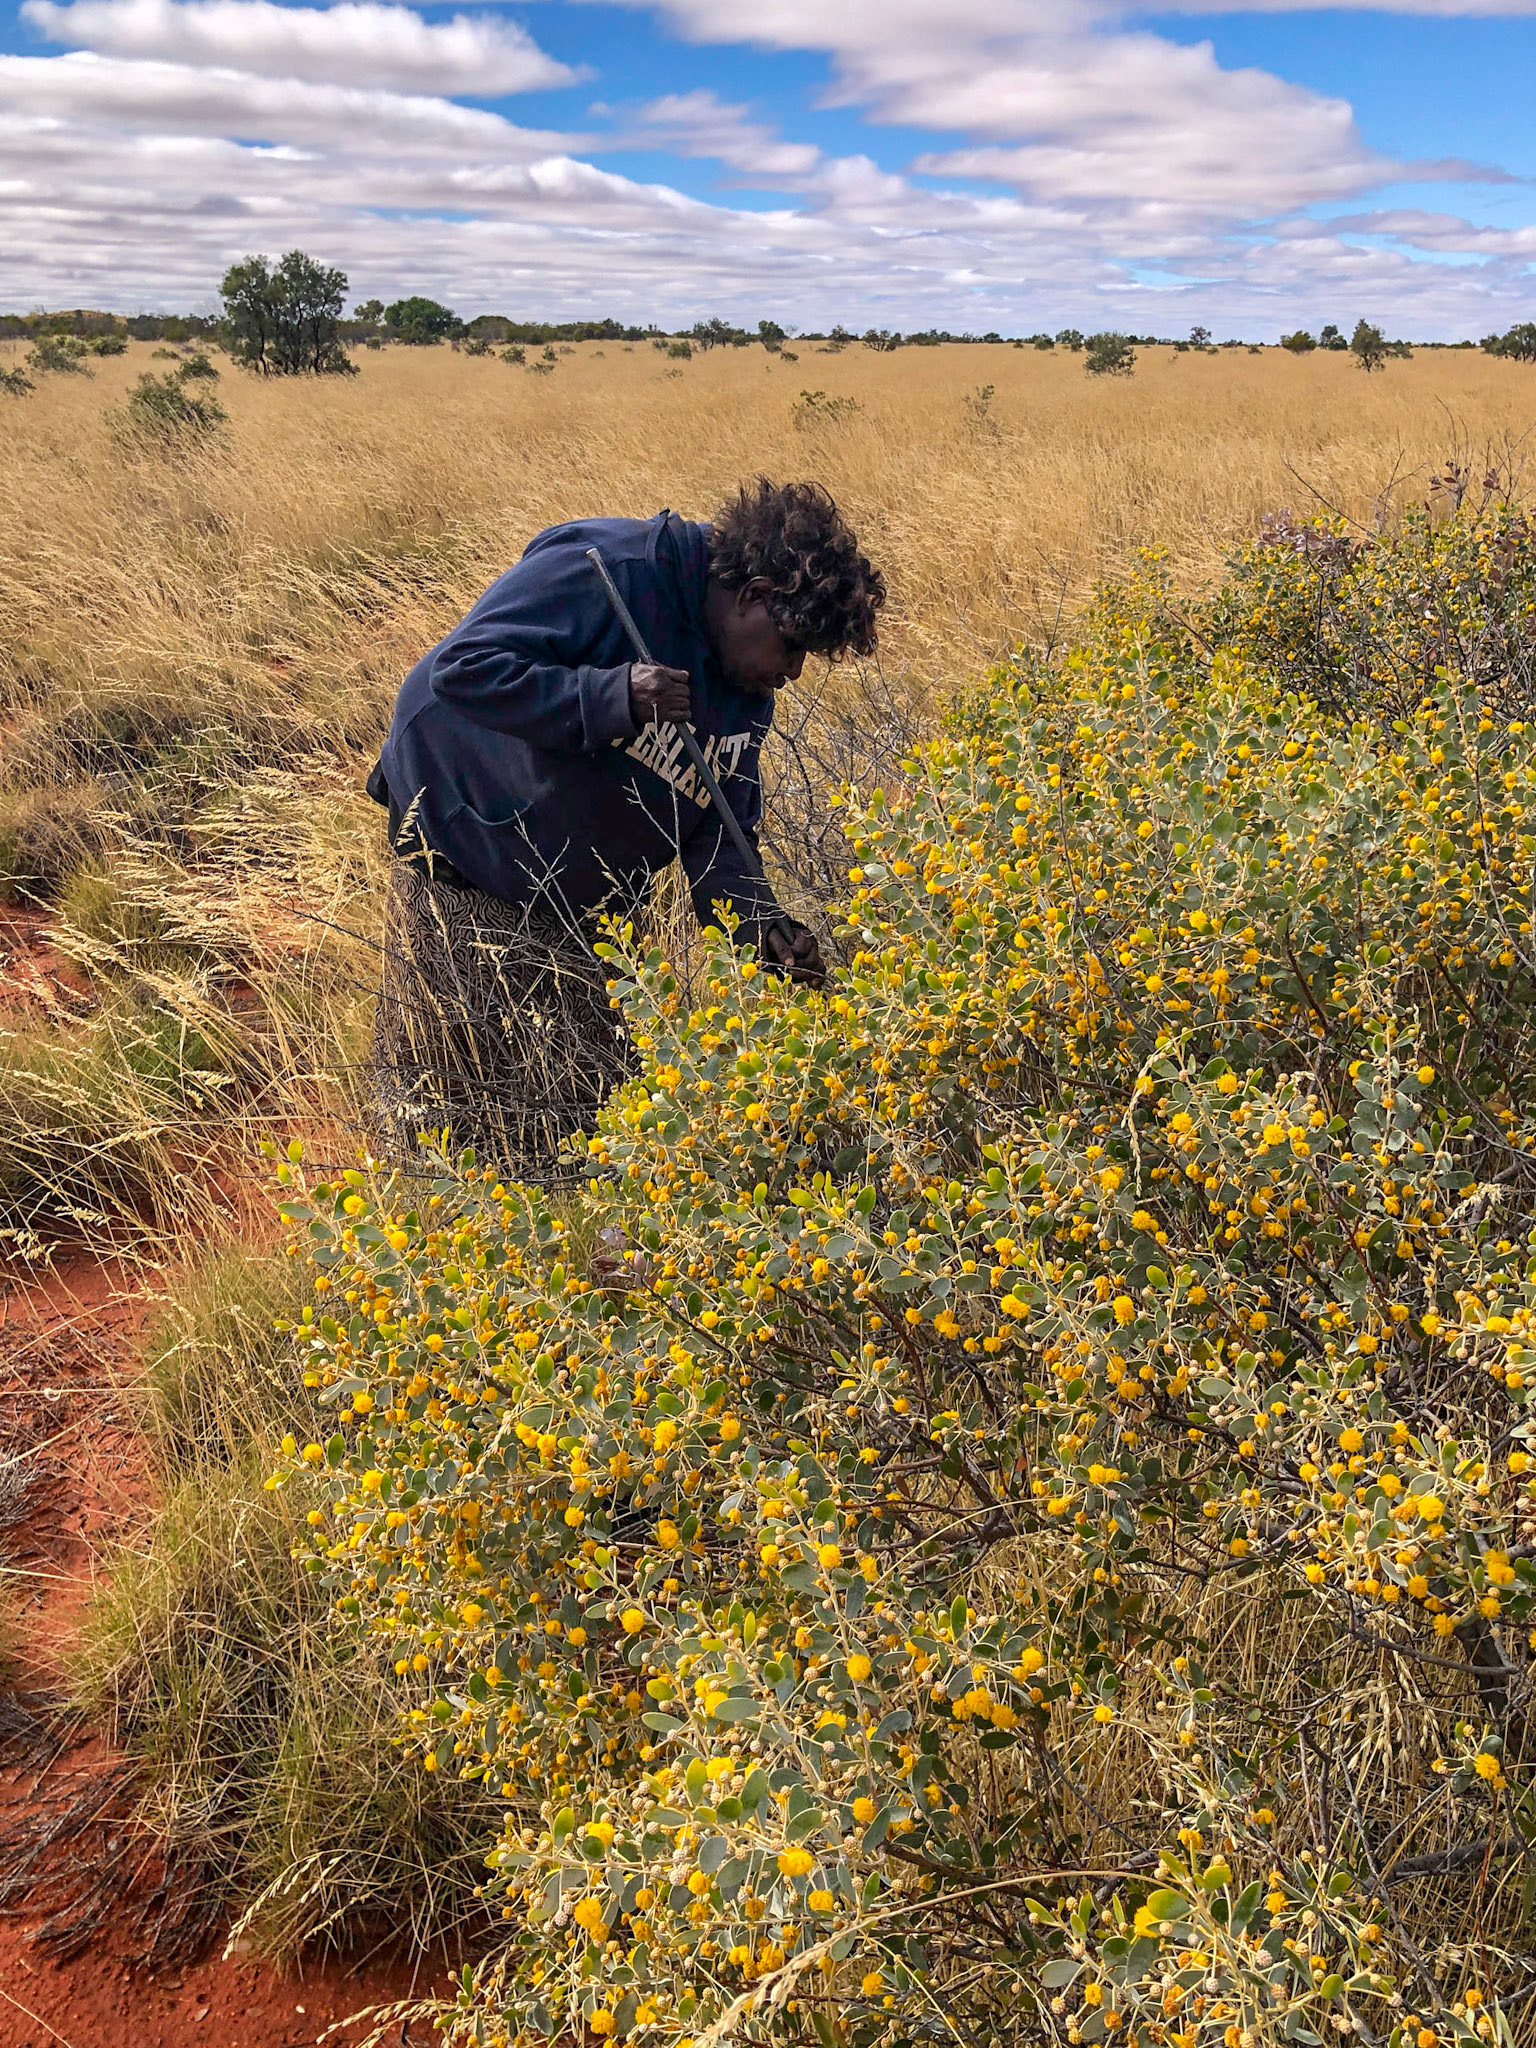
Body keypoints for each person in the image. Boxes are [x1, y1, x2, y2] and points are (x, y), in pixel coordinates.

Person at [366, 476, 885, 1173]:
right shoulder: (609, 570)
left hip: (591, 908)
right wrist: (611, 695)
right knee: (463, 1128)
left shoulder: (743, 688)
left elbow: (715, 827)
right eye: (791, 647)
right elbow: (463, 669)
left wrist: (761, 927)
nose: (791, 673)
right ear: (754, 596)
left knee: (597, 1123)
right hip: (468, 853)